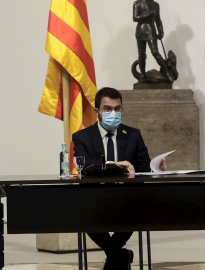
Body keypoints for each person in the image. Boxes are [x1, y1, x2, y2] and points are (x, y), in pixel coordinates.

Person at [73, 87, 166, 270]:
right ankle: (119, 254)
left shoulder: (133, 134)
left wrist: (156, 167)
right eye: (107, 109)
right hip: (95, 196)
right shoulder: (82, 136)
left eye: (117, 108)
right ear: (97, 111)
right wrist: (114, 164)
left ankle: (115, 255)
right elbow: (83, 164)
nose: (113, 113)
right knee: (82, 212)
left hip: (127, 196)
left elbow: (143, 166)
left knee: (135, 208)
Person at [133, 0, 173, 82]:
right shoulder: (137, 3)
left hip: (151, 30)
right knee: (141, 54)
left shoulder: (155, 5)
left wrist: (161, 31)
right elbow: (135, 18)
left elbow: (158, 19)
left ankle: (167, 73)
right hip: (140, 30)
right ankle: (143, 75)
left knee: (155, 52)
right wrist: (148, 14)